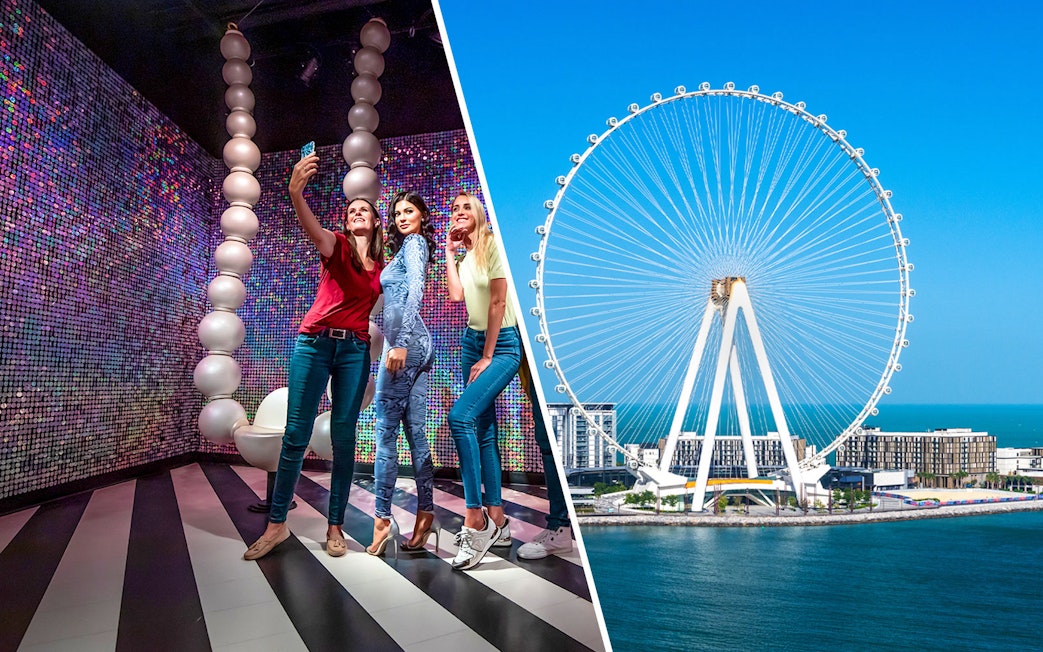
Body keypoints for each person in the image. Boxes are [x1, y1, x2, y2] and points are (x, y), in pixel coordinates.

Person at [243, 152, 382, 561]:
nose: (357, 212)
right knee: (296, 434)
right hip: (315, 343)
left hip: (355, 350)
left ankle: (334, 526)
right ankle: (276, 525)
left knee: (343, 437)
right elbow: (314, 231)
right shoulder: (335, 245)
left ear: (375, 223)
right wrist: (294, 193)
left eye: (365, 210)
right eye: (352, 209)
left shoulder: (381, 268)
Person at [444, 191, 521, 571]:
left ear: (478, 213)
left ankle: (475, 517)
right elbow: (457, 295)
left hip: (502, 344)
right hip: (471, 341)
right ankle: (500, 520)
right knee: (485, 429)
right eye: (454, 209)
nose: (459, 213)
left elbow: (498, 302)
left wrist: (489, 355)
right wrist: (448, 247)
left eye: (464, 208)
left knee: (461, 417)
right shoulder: (465, 254)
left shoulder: (494, 246)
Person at [368, 191, 439, 557]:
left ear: (422, 214)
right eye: (396, 213)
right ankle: (425, 514)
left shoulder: (414, 243)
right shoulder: (407, 248)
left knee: (384, 434)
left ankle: (382, 519)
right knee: (415, 433)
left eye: (409, 211)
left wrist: (400, 343)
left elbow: (415, 293)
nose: (401, 217)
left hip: (406, 346)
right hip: (418, 345)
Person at [516, 358, 574, 560]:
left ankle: (559, 527)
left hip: (549, 367)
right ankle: (558, 526)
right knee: (546, 443)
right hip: (536, 367)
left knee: (552, 445)